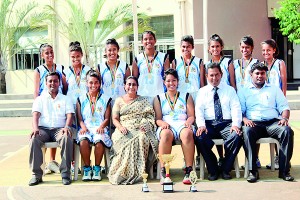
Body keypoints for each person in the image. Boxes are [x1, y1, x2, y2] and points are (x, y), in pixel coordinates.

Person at [238, 62, 294, 183]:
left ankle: (284, 171)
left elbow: (284, 107)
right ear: (251, 74)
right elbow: (240, 111)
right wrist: (244, 119)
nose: (260, 76)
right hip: (253, 124)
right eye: (257, 73)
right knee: (246, 132)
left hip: (273, 123)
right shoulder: (243, 90)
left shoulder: (274, 89)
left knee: (287, 131)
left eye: (262, 73)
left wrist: (284, 118)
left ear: (266, 74)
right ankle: (253, 172)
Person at [194, 62, 243, 181]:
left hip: (227, 124)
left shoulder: (230, 90)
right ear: (206, 76)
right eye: (211, 75)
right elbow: (198, 110)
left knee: (237, 136)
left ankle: (226, 169)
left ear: (221, 74)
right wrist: (201, 125)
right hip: (209, 124)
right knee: (199, 137)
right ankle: (213, 169)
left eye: (216, 75)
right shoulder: (202, 91)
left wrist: (236, 124)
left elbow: (236, 108)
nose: (214, 78)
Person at [108, 76, 158, 185]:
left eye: (134, 84)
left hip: (139, 128)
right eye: (129, 84)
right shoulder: (119, 100)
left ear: (137, 87)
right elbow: (115, 119)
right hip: (123, 128)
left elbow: (150, 116)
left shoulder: (143, 100)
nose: (131, 86)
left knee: (143, 138)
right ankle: (122, 172)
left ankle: (139, 171)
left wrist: (145, 124)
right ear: (125, 86)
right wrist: (121, 128)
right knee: (120, 138)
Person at [29, 71, 74, 186]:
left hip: (59, 129)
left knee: (66, 137)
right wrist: (35, 129)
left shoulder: (65, 99)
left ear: (59, 83)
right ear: (46, 83)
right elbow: (35, 115)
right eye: (50, 81)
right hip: (43, 130)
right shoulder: (40, 99)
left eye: (55, 81)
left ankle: (65, 174)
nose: (52, 83)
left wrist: (66, 127)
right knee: (34, 138)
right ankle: (36, 175)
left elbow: (70, 115)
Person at [153, 68, 195, 184]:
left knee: (187, 134)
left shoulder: (186, 96)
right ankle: (164, 171)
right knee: (165, 134)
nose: (171, 83)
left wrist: (189, 122)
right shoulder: (158, 98)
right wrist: (162, 124)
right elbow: (158, 119)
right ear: (164, 82)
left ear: (178, 81)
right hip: (167, 125)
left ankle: (189, 170)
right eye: (168, 81)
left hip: (182, 124)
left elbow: (191, 116)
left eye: (174, 80)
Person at [33, 43, 67, 174]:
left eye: (51, 52)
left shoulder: (60, 68)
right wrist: (37, 106)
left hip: (58, 103)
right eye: (46, 53)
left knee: (56, 127)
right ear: (42, 55)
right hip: (45, 105)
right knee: (44, 130)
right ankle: (44, 163)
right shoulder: (39, 70)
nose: (50, 55)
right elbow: (36, 91)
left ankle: (52, 161)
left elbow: (65, 86)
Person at [172, 35, 204, 170]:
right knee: (186, 128)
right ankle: (186, 159)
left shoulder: (199, 61)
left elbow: (202, 82)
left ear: (192, 47)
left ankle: (197, 158)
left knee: (196, 129)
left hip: (196, 97)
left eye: (188, 46)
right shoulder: (175, 62)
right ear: (180, 47)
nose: (186, 49)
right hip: (181, 99)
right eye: (183, 47)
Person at [205, 34, 236, 163]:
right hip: (212, 96)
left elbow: (232, 81)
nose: (215, 49)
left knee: (225, 125)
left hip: (225, 96)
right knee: (213, 123)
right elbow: (204, 83)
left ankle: (225, 158)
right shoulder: (206, 64)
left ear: (222, 47)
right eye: (213, 46)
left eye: (217, 46)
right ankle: (219, 156)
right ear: (209, 48)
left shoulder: (228, 62)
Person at [76, 70, 112, 181]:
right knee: (83, 141)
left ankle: (97, 168)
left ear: (99, 84)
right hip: (85, 127)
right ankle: (87, 168)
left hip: (100, 127)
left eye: (96, 82)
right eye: (91, 82)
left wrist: (102, 126)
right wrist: (83, 127)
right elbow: (79, 118)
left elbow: (107, 118)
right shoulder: (80, 99)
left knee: (99, 141)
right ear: (86, 83)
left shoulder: (106, 99)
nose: (93, 85)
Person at [233, 36, 261, 168]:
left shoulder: (256, 62)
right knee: (237, 130)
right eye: (242, 47)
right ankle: (235, 159)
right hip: (237, 98)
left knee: (253, 127)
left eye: (247, 47)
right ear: (240, 48)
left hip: (252, 97)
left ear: (252, 48)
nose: (245, 50)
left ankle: (255, 158)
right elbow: (232, 81)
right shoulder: (234, 63)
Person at [261, 39, 288, 169]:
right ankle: (264, 158)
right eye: (264, 50)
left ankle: (279, 158)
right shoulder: (261, 64)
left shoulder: (279, 63)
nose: (266, 52)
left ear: (274, 50)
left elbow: (284, 82)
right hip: (267, 102)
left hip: (277, 102)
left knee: (279, 130)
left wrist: (282, 100)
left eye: (268, 50)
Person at [132, 30, 170, 104]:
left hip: (159, 94)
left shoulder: (164, 57)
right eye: (145, 39)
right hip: (142, 94)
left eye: (151, 38)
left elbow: (168, 77)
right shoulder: (137, 59)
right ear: (142, 42)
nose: (148, 41)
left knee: (158, 115)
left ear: (155, 40)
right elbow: (134, 79)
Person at [97, 38, 131, 105]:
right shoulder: (100, 68)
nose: (112, 52)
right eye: (109, 50)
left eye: (114, 49)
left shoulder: (125, 66)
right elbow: (97, 86)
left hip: (121, 101)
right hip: (106, 102)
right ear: (105, 51)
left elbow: (129, 86)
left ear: (118, 50)